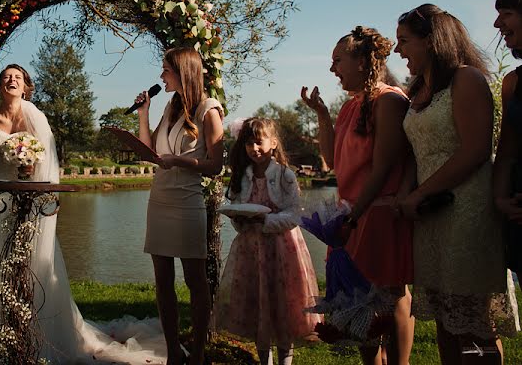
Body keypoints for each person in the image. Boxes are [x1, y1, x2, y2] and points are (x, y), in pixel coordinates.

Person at [0, 64, 166, 364]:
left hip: (25, 206)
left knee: (26, 269)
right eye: (7, 76)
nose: (11, 80)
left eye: (17, 78)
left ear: (26, 87)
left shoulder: (34, 119)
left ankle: (25, 337)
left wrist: (30, 172)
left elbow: (43, 165)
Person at [396, 4, 518, 364]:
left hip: (465, 210)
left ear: (431, 41)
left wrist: (420, 193)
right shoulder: (419, 88)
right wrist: (407, 194)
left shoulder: (467, 79)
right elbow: (413, 151)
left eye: (404, 41)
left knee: (473, 325)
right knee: (445, 323)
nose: (397, 49)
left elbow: (476, 151)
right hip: (430, 216)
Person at [300, 26, 415, 365]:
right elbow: (333, 159)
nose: (332, 69)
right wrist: (322, 114)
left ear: (364, 62)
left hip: (378, 214)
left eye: (338, 60)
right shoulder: (351, 106)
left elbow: (382, 169)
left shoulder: (390, 100)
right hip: (350, 216)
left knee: (391, 297)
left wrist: (354, 216)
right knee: (357, 300)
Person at [135, 47, 225, 365]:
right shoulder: (170, 108)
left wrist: (181, 162)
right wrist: (144, 114)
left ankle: (198, 354)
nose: (161, 76)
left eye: (166, 71)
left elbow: (216, 166)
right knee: (162, 281)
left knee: (195, 281)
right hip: (158, 200)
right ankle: (174, 351)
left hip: (188, 205)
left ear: (183, 72)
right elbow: (151, 152)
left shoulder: (208, 110)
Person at [214, 118, 321, 365]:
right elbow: (238, 209)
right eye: (249, 143)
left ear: (273, 143)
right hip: (251, 250)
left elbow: (294, 213)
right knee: (257, 309)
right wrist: (240, 221)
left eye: (259, 142)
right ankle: (265, 361)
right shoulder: (242, 176)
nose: (254, 148)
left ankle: (285, 358)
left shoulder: (285, 176)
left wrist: (266, 222)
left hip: (283, 251)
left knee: (283, 309)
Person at [492, 0, 522, 273]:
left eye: (507, 14)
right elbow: (507, 151)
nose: (497, 23)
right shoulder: (512, 83)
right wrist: (501, 199)